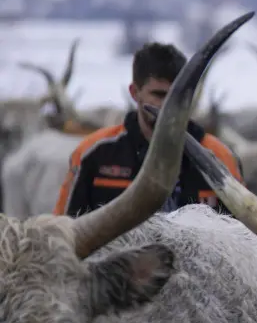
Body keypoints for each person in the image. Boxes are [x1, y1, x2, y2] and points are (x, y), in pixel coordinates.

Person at [55, 42, 244, 218]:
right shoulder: (92, 154)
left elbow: (243, 239)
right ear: (134, 92)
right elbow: (63, 233)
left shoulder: (220, 158)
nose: (169, 105)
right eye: (159, 94)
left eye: (177, 95)